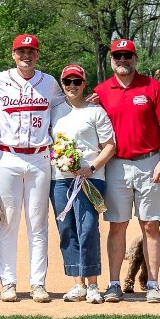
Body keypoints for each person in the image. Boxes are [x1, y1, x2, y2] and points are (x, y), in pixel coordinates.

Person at [0, 33, 66, 302]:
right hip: (8, 158)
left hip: (40, 158)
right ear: (13, 54)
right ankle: (7, 283)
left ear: (38, 54)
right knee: (7, 222)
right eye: (21, 51)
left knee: (37, 223)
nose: (26, 56)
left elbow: (67, 107)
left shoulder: (50, 83)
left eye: (31, 51)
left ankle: (37, 283)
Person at [93, 39, 160, 303]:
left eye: (127, 55)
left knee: (150, 224)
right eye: (118, 56)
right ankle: (114, 283)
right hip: (116, 164)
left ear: (135, 58)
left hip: (149, 162)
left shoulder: (152, 86)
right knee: (117, 225)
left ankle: (152, 284)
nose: (123, 60)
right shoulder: (102, 91)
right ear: (111, 60)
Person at [49, 65, 116, 302]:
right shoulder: (55, 110)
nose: (72, 86)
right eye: (67, 82)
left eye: (77, 81)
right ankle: (77, 283)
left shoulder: (96, 112)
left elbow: (110, 145)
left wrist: (91, 168)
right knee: (67, 229)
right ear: (62, 84)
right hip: (60, 180)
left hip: (90, 178)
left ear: (84, 84)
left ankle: (93, 283)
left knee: (87, 228)